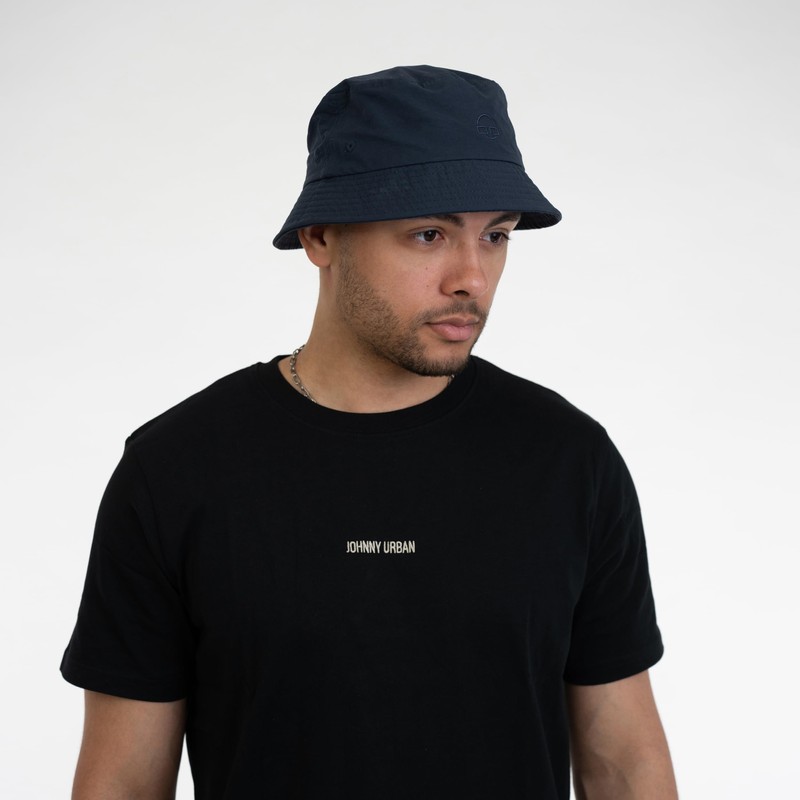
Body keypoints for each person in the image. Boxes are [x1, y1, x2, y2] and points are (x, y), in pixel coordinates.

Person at [61, 65, 678, 799]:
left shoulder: (567, 459)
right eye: (428, 234)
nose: (472, 277)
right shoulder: (177, 469)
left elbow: (624, 765)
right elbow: (124, 783)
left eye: (496, 235)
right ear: (321, 236)